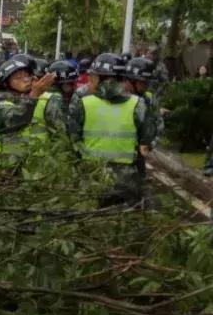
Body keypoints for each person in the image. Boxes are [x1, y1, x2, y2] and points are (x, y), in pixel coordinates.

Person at [67, 53, 157, 207]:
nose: (90, 80)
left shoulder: (82, 103)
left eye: (93, 77)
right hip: (127, 179)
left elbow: (72, 138)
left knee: (90, 217)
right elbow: (146, 142)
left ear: (102, 79)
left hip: (92, 175)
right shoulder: (139, 104)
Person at [0, 57, 57, 166]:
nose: (25, 80)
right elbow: (13, 122)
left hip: (39, 168)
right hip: (11, 169)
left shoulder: (42, 98)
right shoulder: (0, 104)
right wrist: (34, 95)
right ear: (6, 83)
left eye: (27, 75)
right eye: (18, 77)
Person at [123, 57, 164, 148]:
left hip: (136, 155)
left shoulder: (149, 99)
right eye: (144, 82)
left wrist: (149, 145)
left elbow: (158, 125)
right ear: (132, 80)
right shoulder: (114, 97)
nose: (146, 86)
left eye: (148, 82)